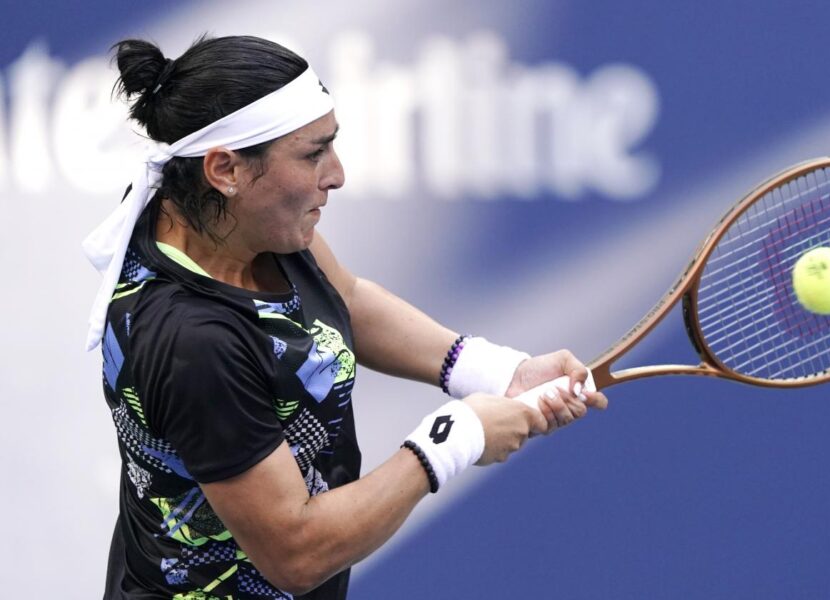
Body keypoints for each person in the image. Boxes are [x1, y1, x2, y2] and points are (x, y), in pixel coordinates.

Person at [83, 35, 607, 599]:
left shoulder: (228, 220)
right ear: (225, 169)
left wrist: (496, 371)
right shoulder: (195, 343)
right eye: (313, 154)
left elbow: (346, 300)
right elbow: (297, 552)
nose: (336, 174)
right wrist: (456, 439)